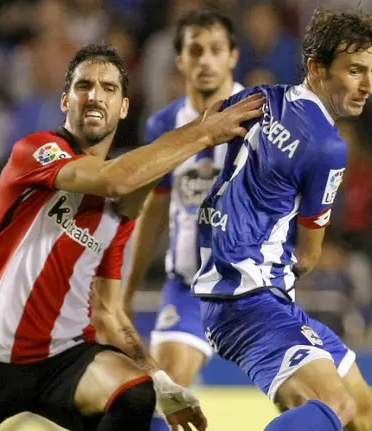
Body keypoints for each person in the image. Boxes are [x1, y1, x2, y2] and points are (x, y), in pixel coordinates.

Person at [0, 44, 264, 431]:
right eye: (84, 85)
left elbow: (108, 313)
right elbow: (115, 179)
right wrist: (203, 132)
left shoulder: (118, 217)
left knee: (135, 393)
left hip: (62, 360)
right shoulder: (37, 151)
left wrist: (164, 383)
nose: (94, 95)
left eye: (108, 88)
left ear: (124, 107)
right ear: (65, 100)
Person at [191, 9, 372, 431]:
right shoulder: (328, 147)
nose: (368, 85)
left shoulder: (260, 98)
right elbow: (310, 253)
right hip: (249, 297)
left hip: (245, 291)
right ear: (317, 69)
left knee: (367, 409)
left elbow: (205, 144)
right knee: (336, 404)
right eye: (355, 71)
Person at [121, 9, 242, 431]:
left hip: (255, 287)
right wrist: (126, 290)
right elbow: (154, 211)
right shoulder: (163, 125)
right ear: (179, 61)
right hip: (190, 288)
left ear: (233, 57)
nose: (205, 60)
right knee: (162, 398)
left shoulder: (265, 117)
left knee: (330, 402)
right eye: (195, 50)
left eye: (215, 50)